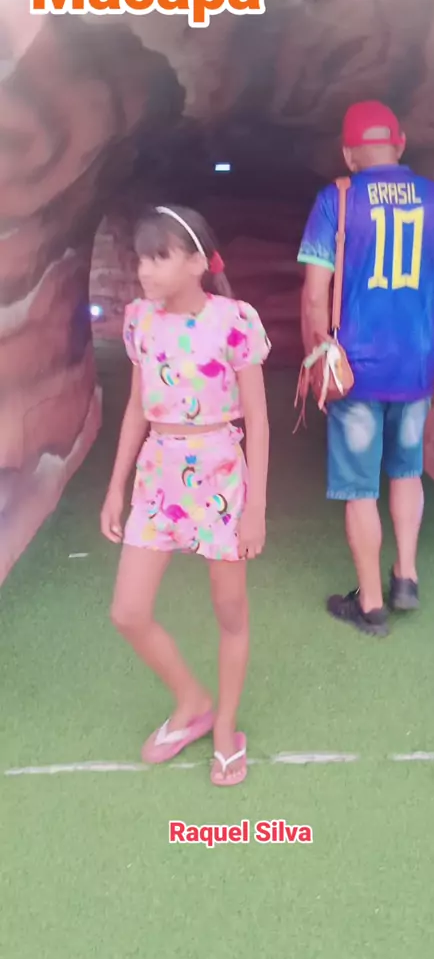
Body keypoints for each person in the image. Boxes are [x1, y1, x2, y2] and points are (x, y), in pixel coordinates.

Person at [100, 204, 271, 784]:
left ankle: (225, 728)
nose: (144, 270)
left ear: (198, 262)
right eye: (140, 258)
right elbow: (135, 408)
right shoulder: (139, 321)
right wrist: (115, 486)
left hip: (221, 477)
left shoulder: (235, 321)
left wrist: (256, 509)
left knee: (230, 613)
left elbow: (258, 420)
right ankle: (192, 702)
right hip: (156, 478)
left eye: (159, 257)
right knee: (127, 611)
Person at [298, 100, 434, 637]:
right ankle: (406, 576)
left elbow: (315, 296)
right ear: (400, 144)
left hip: (355, 373)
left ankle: (372, 607)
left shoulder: (336, 199)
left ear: (349, 154)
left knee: (360, 489)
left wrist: (319, 357)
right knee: (406, 471)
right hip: (416, 371)